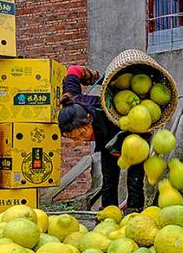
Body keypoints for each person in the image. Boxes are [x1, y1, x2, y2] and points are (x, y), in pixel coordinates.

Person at [58, 65, 145, 212]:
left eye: (82, 134)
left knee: (134, 181)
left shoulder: (106, 119)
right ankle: (109, 214)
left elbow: (118, 152)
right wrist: (94, 78)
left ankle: (135, 213)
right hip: (108, 145)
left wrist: (106, 81)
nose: (81, 140)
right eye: (73, 138)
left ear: (89, 118)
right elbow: (73, 70)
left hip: (134, 134)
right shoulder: (71, 98)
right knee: (109, 180)